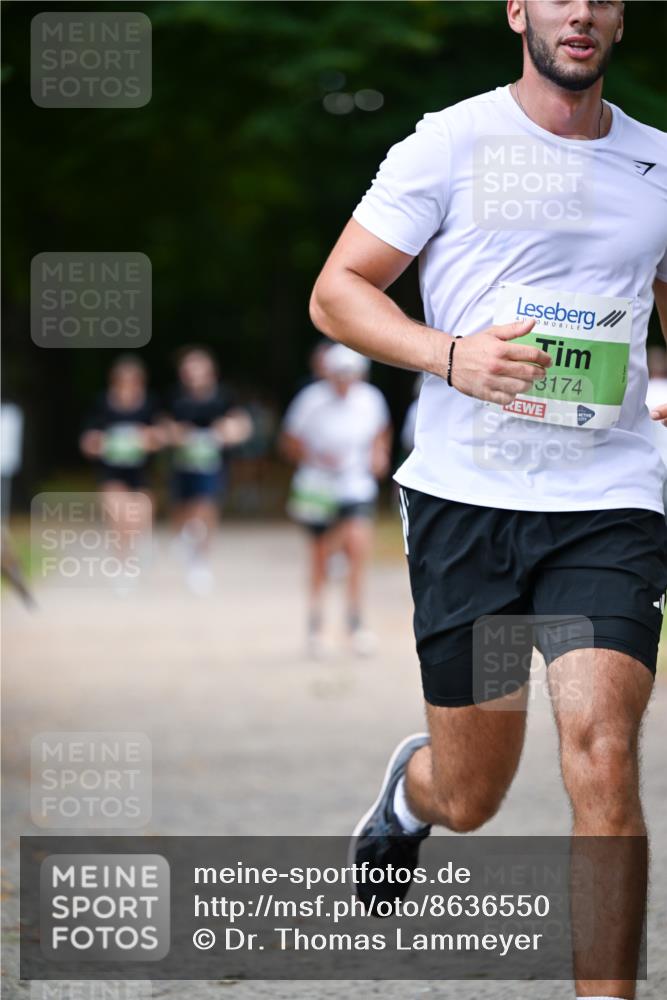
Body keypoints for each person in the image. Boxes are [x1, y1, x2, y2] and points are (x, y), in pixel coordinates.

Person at [309, 3, 667, 998]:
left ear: (621, 18)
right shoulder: (450, 142)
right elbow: (338, 290)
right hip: (469, 502)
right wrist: (450, 355)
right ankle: (413, 794)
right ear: (519, 10)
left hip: (609, 502)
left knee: (600, 749)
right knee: (476, 792)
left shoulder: (659, 163)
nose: (581, 13)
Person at [281, 343, 392, 658]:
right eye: (339, 375)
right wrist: (315, 457)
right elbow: (289, 441)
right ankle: (316, 623)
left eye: (350, 375)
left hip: (355, 483)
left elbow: (381, 432)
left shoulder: (370, 400)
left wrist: (378, 454)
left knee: (357, 546)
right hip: (318, 485)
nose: (344, 382)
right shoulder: (311, 400)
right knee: (320, 555)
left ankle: (354, 622)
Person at [163, 346, 251, 595]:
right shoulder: (176, 398)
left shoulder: (223, 397)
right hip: (183, 465)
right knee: (182, 511)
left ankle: (200, 563)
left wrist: (228, 431)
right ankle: (185, 538)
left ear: (209, 372)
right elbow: (163, 426)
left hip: (213, 465)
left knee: (206, 507)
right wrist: (178, 435)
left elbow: (242, 425)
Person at [79, 355, 159, 567]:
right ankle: (121, 562)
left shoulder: (150, 405)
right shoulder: (102, 404)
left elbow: (161, 437)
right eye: (123, 380)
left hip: (140, 473)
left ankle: (136, 548)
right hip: (111, 471)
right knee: (118, 516)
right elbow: (88, 441)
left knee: (139, 517)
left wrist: (147, 439)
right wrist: (99, 443)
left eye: (133, 381)